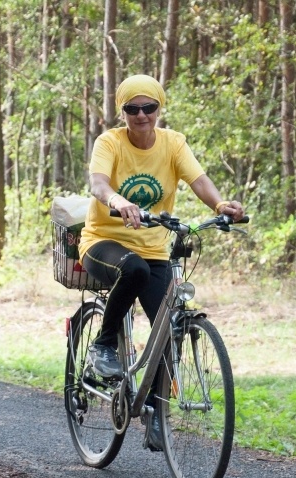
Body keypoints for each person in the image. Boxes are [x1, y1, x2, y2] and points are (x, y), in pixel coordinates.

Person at [78, 74, 245, 449]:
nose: (141, 115)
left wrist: (219, 205)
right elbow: (99, 184)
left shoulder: (173, 143)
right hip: (103, 243)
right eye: (132, 109)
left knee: (171, 327)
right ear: (122, 112)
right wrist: (118, 202)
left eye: (148, 108)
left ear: (159, 109)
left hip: (154, 248)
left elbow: (198, 179)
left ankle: (156, 409)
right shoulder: (110, 142)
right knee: (132, 268)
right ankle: (103, 345)